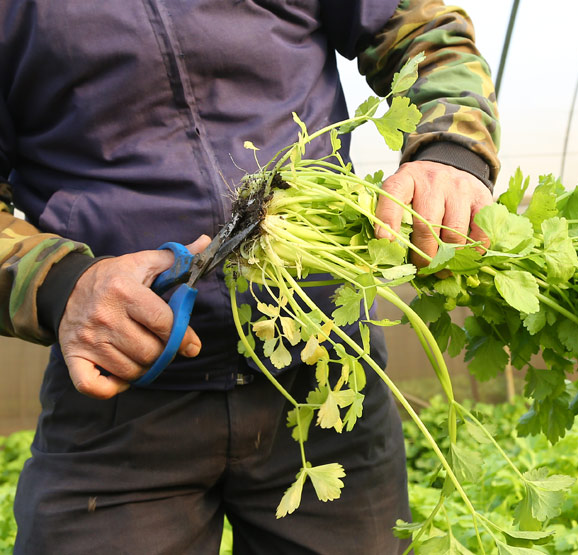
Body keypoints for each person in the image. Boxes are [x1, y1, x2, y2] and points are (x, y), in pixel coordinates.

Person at [0, 0, 500, 552]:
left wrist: (452, 147)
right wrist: (59, 282)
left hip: (328, 372)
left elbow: (424, 30)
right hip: (116, 396)